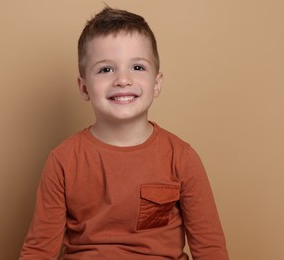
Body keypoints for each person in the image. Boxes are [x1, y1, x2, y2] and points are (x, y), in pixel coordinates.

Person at [19, 7, 229, 260]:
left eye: (137, 67)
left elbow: (210, 248)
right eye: (106, 69)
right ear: (84, 88)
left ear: (157, 84)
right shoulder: (63, 160)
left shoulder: (182, 157)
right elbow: (39, 251)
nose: (122, 80)